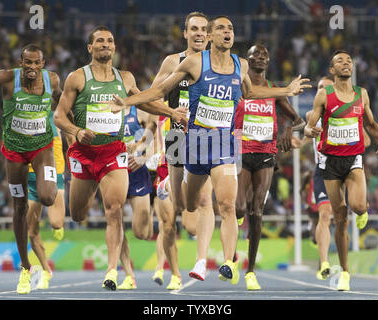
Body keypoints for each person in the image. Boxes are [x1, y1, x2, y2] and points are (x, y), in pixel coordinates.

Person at [110, 15, 311, 283]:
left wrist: (286, 89)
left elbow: (249, 93)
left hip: (221, 143)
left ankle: (224, 262)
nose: (224, 33)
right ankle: (172, 186)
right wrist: (130, 102)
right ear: (199, 35)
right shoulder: (184, 62)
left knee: (224, 204)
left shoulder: (240, 65)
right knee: (185, 205)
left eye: (228, 29)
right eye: (217, 29)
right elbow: (158, 91)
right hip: (185, 140)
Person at [53, 25, 186, 291]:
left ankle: (112, 271)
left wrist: (171, 112)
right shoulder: (77, 78)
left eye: (110, 41)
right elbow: (59, 116)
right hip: (83, 153)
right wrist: (77, 131)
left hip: (114, 153)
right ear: (90, 47)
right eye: (99, 40)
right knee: (78, 214)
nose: (105, 44)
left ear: (114, 47)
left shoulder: (125, 78)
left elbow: (144, 102)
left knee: (114, 211)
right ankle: (117, 264)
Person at [0, 44, 62, 294]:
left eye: (36, 63)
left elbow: (63, 103)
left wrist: (71, 127)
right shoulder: (7, 78)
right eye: (27, 62)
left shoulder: (52, 80)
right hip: (15, 152)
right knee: (19, 207)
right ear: (21, 62)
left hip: (42, 148)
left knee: (48, 197)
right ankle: (26, 268)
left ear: (43, 63)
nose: (31, 67)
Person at [304, 50, 378, 291]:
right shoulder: (324, 95)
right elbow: (309, 127)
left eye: (349, 61)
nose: (346, 63)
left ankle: (363, 210)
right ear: (332, 71)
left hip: (353, 159)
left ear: (352, 68)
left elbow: (371, 123)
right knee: (340, 218)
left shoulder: (361, 94)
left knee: (357, 206)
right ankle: (344, 271)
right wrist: (308, 132)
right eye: (339, 61)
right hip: (330, 163)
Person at [143, 12, 216, 287]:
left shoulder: (220, 64)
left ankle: (200, 262)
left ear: (209, 35)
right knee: (185, 216)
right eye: (193, 29)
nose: (199, 34)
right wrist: (171, 112)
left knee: (205, 203)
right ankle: (171, 270)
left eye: (203, 30)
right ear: (185, 33)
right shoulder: (173, 62)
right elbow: (151, 99)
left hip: (207, 137)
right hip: (175, 139)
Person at [234, 44, 305, 290]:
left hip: (265, 154)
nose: (261, 57)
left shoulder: (275, 90)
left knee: (256, 211)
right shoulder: (239, 85)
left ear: (269, 60)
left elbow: (298, 120)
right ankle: (232, 256)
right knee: (239, 209)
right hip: (240, 151)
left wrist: (287, 129)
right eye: (256, 54)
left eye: (265, 54)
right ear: (247, 59)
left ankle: (250, 271)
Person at [301, 75, 371, 281]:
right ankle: (324, 263)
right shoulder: (311, 113)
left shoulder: (347, 110)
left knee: (354, 207)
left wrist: (346, 139)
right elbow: (307, 135)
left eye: (325, 87)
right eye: (319, 87)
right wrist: (298, 142)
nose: (321, 90)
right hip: (324, 168)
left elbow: (366, 141)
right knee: (326, 215)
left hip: (348, 163)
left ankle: (361, 209)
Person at [26, 109, 67, 290]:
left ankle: (58, 225)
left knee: (56, 223)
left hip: (53, 175)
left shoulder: (54, 115)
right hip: (31, 177)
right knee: (31, 232)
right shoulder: (21, 116)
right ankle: (45, 270)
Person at [117, 105, 153, 290]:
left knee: (141, 233)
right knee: (116, 223)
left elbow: (155, 136)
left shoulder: (138, 111)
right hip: (114, 171)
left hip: (137, 171)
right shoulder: (103, 110)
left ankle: (153, 208)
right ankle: (129, 275)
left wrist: (144, 157)